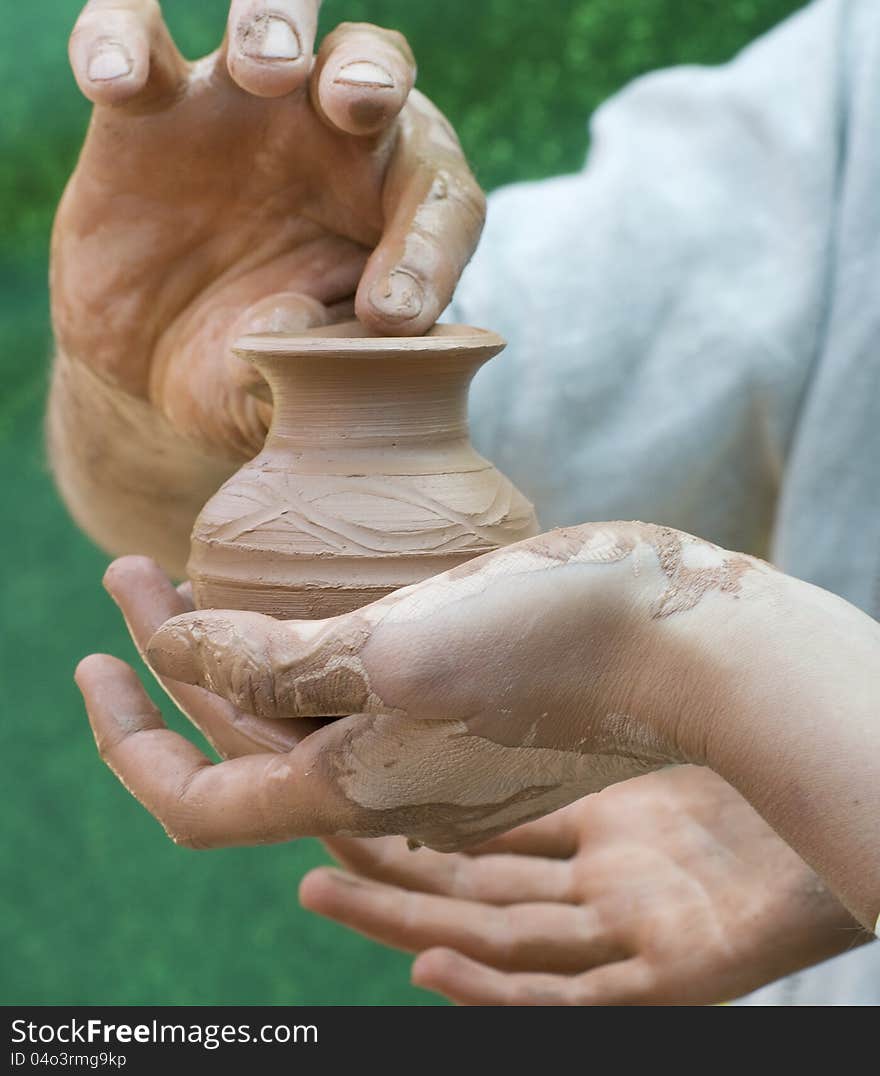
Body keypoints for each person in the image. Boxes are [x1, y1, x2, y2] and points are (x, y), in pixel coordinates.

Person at [53, 0, 878, 1004]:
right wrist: (154, 385)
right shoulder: (852, 95)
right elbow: (379, 434)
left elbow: (638, 623)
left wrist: (718, 665)